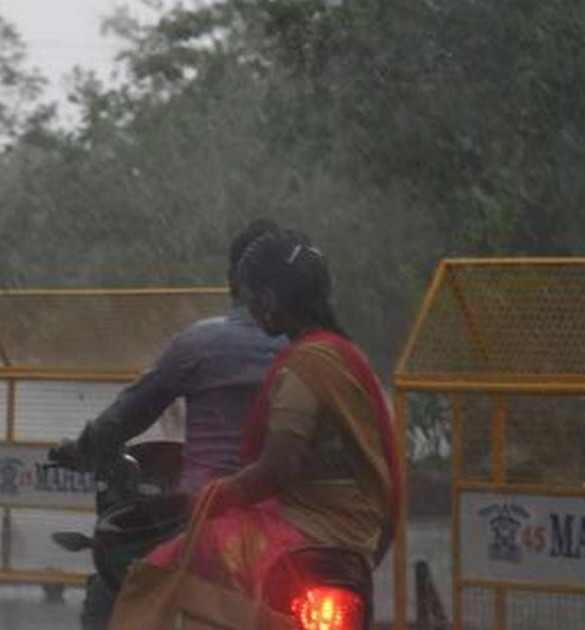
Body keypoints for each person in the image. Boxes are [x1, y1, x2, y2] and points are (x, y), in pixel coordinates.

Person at [111, 229, 404, 623]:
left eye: (251, 299)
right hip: (358, 534)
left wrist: (212, 496)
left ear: (268, 301)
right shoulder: (346, 356)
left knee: (158, 571)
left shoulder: (305, 365)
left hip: (306, 529)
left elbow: (277, 467)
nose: (250, 309)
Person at [60, 219, 285, 629]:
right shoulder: (316, 352)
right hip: (296, 522)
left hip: (203, 518)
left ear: (234, 282)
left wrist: (86, 446)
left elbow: (126, 416)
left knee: (118, 587)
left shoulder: (198, 344)